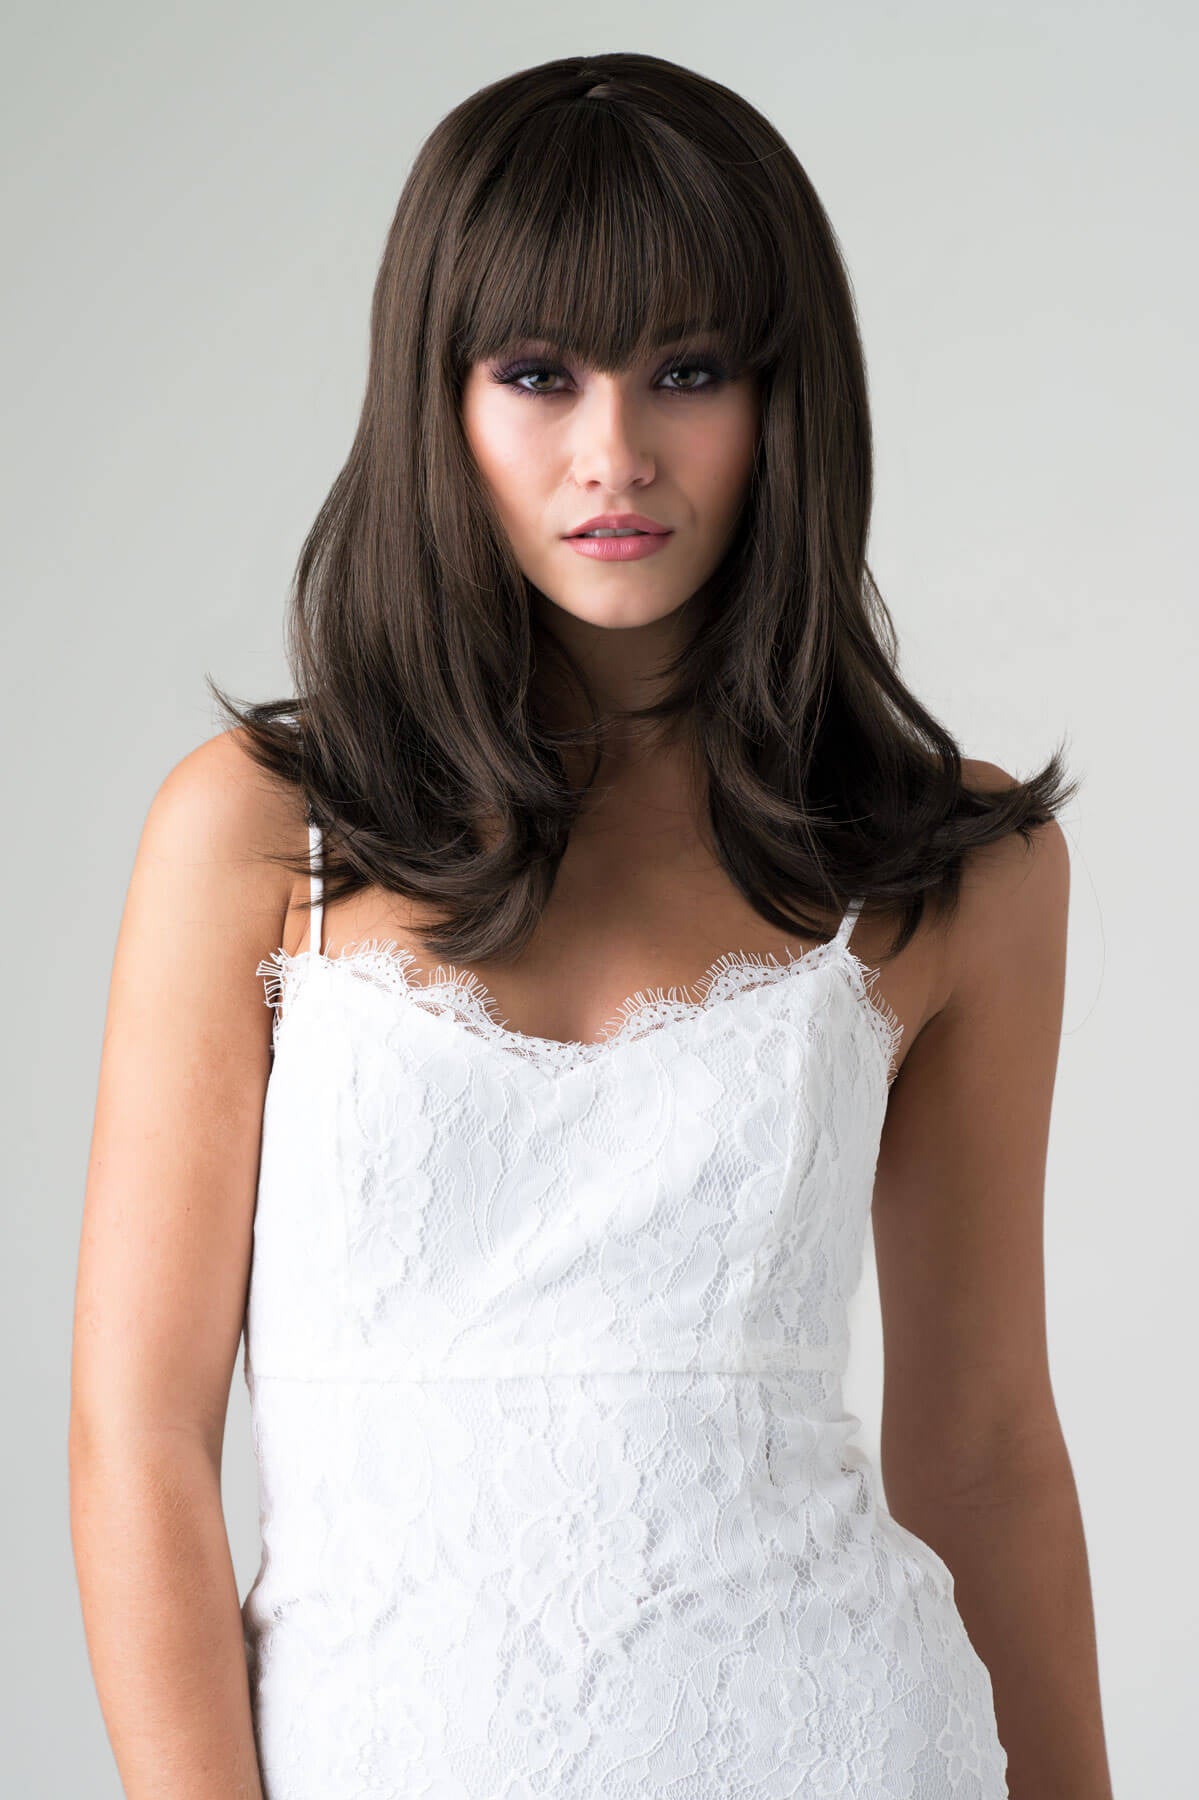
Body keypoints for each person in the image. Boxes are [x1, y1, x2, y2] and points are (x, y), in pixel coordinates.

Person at [68, 50, 1115, 1800]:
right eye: (537, 374)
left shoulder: (949, 866)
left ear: (787, 401)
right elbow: (139, 1444)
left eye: (687, 370)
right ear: (441, 398)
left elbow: (989, 1440)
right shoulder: (262, 839)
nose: (613, 453)